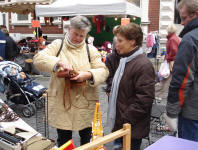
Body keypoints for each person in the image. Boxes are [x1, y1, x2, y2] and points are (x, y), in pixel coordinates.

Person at [33, 16, 109, 147]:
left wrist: (88, 74)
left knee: (87, 138)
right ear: (69, 29)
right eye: (76, 34)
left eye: (82, 35)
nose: (78, 38)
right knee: (64, 139)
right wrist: (58, 61)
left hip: (85, 103)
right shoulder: (58, 45)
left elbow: (104, 71)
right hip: (62, 104)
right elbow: (38, 59)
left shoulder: (90, 50)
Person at [107, 23, 155, 150]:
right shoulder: (126, 60)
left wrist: (123, 119)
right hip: (122, 126)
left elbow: (144, 101)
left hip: (131, 129)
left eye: (120, 41)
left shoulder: (142, 65)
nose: (116, 45)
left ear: (132, 42)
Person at [166, 0, 198, 142]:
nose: (182, 22)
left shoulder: (190, 39)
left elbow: (181, 81)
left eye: (184, 18)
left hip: (193, 114)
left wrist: (171, 113)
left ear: (196, 15)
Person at [155, 24, 180, 102]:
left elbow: (174, 51)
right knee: (166, 78)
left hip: (171, 62)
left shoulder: (172, 39)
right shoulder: (173, 38)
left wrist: (168, 58)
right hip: (172, 61)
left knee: (166, 78)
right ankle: (158, 94)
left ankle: (158, 95)